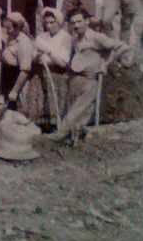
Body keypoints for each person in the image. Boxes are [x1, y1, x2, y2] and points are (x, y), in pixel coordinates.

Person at [47, 9, 130, 143]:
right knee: (77, 113)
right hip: (75, 79)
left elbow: (123, 46)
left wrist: (106, 64)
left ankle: (60, 133)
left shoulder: (97, 37)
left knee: (77, 110)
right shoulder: (74, 39)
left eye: (79, 21)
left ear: (86, 21)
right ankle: (73, 139)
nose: (76, 25)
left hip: (90, 80)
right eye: (73, 22)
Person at [32, 7, 71, 129]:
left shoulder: (65, 37)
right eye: (46, 22)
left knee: (57, 101)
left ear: (58, 22)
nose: (48, 26)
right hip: (42, 72)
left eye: (52, 22)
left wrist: (48, 51)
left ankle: (57, 127)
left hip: (58, 74)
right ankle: (43, 126)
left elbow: (62, 63)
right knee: (43, 100)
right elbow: (34, 56)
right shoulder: (42, 37)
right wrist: (38, 56)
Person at [0, 12, 34, 110]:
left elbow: (25, 70)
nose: (6, 31)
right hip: (6, 77)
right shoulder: (10, 37)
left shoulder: (24, 42)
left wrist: (15, 90)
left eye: (9, 28)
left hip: (16, 79)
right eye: (5, 27)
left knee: (16, 109)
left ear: (17, 28)